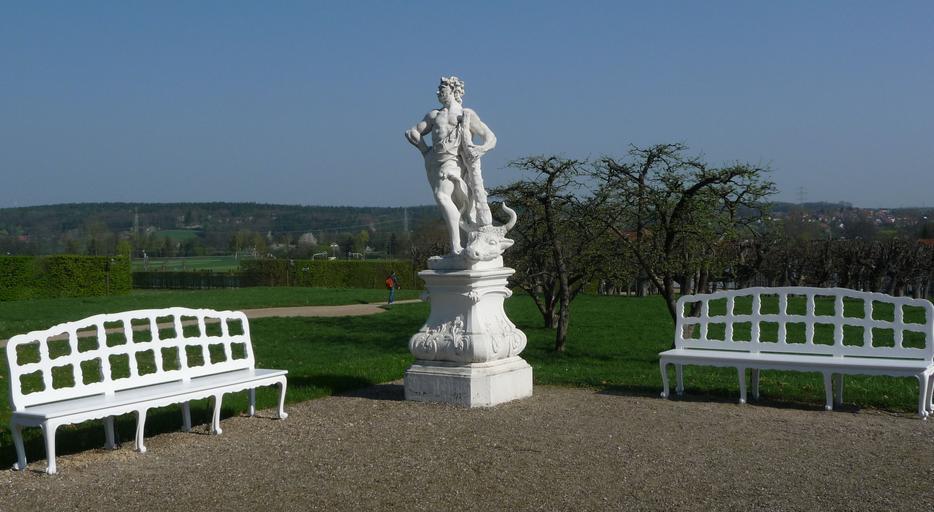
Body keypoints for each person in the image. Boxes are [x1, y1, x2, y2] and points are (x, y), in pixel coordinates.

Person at [405, 76, 497, 256]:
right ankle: (466, 242)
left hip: (454, 162)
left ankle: (456, 246)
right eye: (439, 89)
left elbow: (491, 137)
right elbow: (412, 132)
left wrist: (481, 149)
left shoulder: (466, 114)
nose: (438, 92)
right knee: (454, 202)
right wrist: (425, 151)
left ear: (453, 91)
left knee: (443, 196)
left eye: (442, 89)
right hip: (434, 164)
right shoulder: (434, 115)